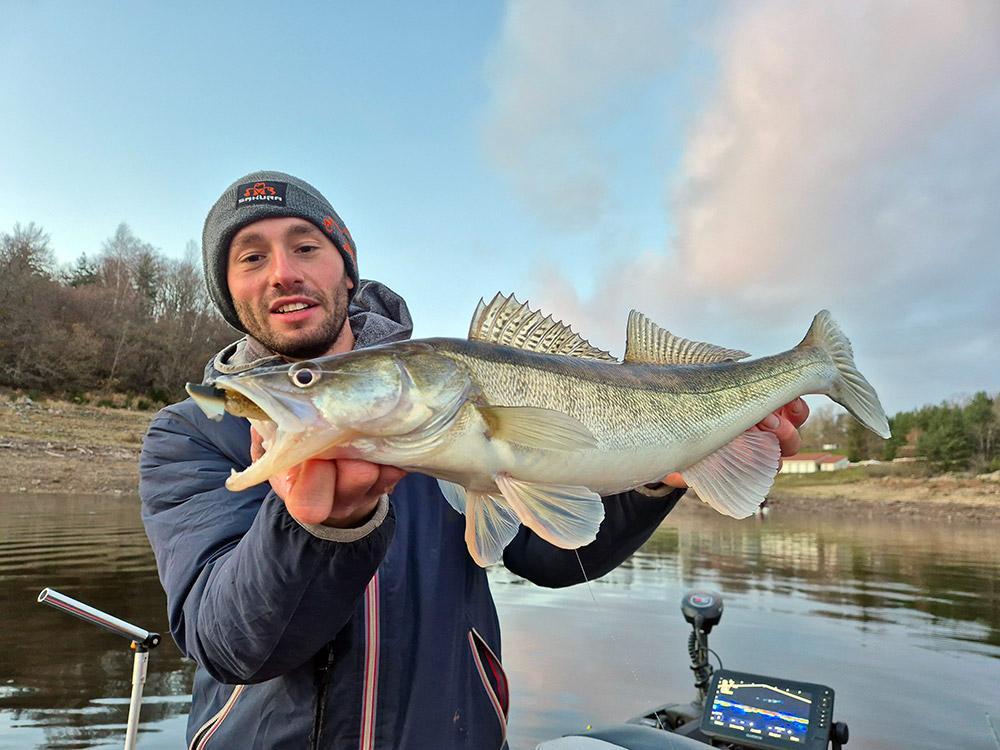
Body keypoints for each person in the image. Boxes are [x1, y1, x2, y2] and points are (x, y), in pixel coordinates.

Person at [139, 170, 808, 750]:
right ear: (228, 291)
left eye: (305, 246)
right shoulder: (191, 436)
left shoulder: (435, 402)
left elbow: (549, 553)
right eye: (251, 257)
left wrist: (661, 471)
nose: (283, 270)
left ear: (346, 268)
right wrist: (315, 533)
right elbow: (228, 645)